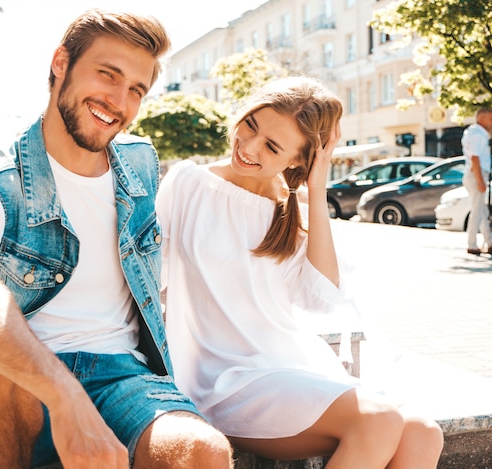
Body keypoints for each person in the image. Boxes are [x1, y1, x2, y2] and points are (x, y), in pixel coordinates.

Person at [0, 9, 232, 469]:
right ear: (61, 62)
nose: (119, 101)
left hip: (123, 380)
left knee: (202, 452)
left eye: (136, 90)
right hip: (16, 383)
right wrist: (65, 396)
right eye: (108, 74)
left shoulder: (141, 163)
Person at [157, 76, 444, 468]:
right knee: (379, 421)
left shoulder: (292, 210)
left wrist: (317, 184)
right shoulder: (187, 182)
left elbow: (321, 297)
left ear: (298, 159)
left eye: (273, 146)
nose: (249, 146)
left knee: (424, 432)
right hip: (220, 378)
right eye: (251, 125)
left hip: (286, 366)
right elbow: (149, 278)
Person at [462, 107, 492, 255]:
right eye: (490, 119)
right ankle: (472, 244)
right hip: (476, 175)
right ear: (481, 119)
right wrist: (480, 181)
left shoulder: (472, 131)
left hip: (474, 174)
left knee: (482, 210)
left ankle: (490, 241)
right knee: (477, 211)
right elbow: (475, 158)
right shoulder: (478, 134)